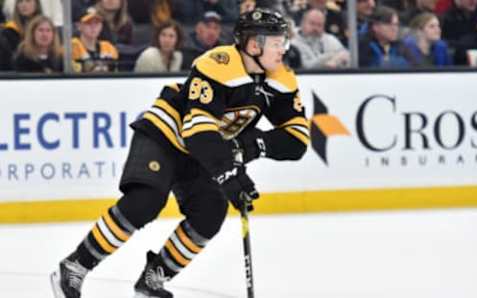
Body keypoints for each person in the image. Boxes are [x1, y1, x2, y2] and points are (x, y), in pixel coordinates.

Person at [50, 7, 309, 298]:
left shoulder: (281, 79)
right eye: (276, 42)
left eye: (283, 41)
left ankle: (153, 279)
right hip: (166, 134)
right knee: (145, 202)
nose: (283, 49)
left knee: (210, 213)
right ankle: (75, 266)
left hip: (207, 149)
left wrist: (245, 148)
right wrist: (228, 172)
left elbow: (297, 139)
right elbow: (198, 130)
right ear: (253, 44)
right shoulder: (219, 64)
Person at [71, 7, 119, 73]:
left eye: (97, 23)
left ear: (101, 26)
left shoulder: (109, 48)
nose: (93, 27)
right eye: (88, 23)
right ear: (79, 26)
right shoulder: (72, 46)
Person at [0, 0, 42, 70]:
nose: (24, 5)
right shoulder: (9, 31)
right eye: (20, 1)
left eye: (28, 1)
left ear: (37, 4)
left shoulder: (45, 28)